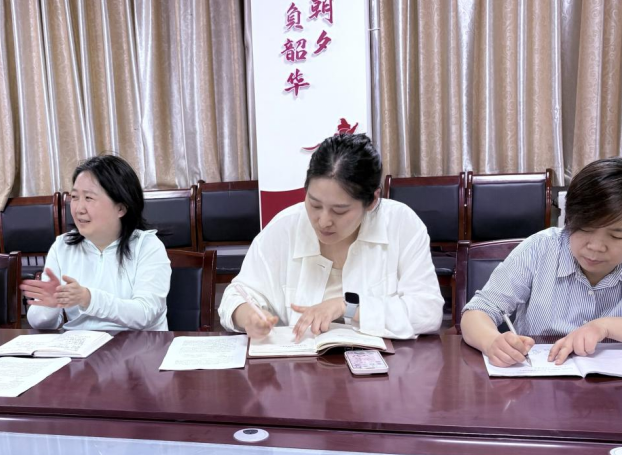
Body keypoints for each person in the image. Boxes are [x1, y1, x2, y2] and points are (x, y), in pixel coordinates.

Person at [218, 133, 444, 340]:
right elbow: (237, 295)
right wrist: (248, 317)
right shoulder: (285, 228)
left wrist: (348, 307)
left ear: (372, 201)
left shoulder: (401, 224)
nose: (323, 221)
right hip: (299, 365)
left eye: (339, 211)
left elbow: (428, 312)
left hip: (385, 367)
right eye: (315, 204)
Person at [461, 157, 622, 366]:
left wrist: (605, 326)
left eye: (617, 236)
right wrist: (492, 341)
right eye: (585, 229)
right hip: (537, 378)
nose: (596, 247)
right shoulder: (540, 249)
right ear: (569, 220)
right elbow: (477, 312)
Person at [23, 154, 171, 331]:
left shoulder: (147, 246)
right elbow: (40, 323)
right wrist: (49, 307)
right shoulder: (62, 246)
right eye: (75, 197)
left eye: (89, 198)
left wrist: (88, 298)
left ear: (121, 208)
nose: (79, 209)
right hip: (81, 345)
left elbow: (145, 314)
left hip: (139, 344)